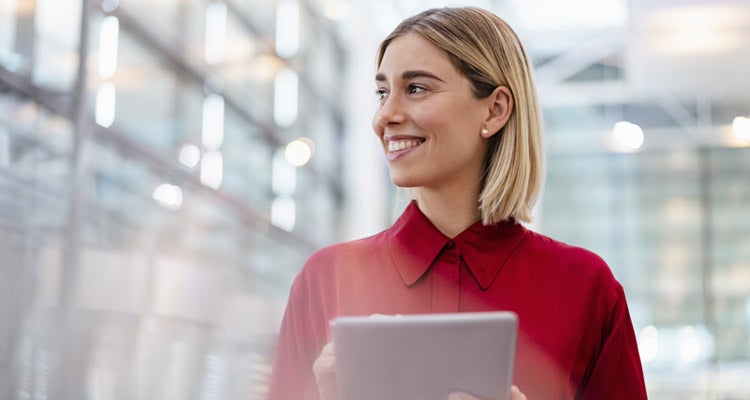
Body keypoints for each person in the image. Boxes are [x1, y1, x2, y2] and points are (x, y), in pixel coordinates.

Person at [266, 6, 647, 400]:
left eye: (416, 88)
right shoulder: (325, 281)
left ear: (495, 110)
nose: (385, 116)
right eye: (382, 92)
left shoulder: (586, 289)